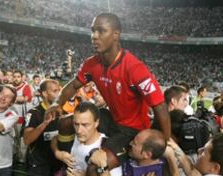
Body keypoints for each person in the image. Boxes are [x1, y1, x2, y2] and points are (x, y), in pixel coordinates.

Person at [45, 13, 170, 164]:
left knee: (96, 167)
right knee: (65, 123)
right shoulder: (91, 64)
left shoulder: (135, 68)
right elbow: (73, 85)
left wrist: (163, 143)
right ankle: (65, 168)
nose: (94, 36)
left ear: (116, 35)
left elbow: (160, 107)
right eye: (93, 30)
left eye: (101, 30)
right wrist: (56, 103)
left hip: (133, 130)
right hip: (111, 119)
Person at [7, 79, 61, 176]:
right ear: (44, 93)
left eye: (59, 90)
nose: (59, 94)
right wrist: (44, 123)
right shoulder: (35, 112)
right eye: (54, 91)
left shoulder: (61, 111)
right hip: (38, 163)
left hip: (55, 163)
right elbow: (27, 139)